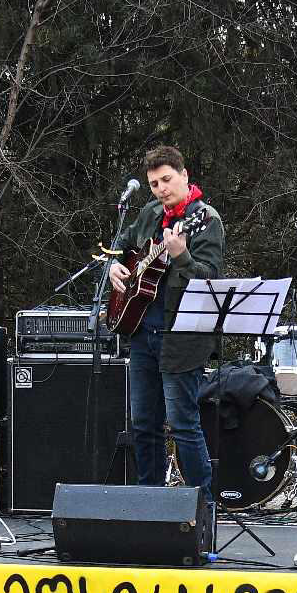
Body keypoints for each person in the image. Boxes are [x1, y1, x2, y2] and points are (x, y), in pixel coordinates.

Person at [106, 145, 225, 497]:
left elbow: (210, 280)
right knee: (144, 424)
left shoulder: (206, 220)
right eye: (154, 183)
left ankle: (203, 506)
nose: (161, 188)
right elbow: (123, 247)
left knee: (183, 424)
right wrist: (113, 266)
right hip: (142, 332)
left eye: (167, 180)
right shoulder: (149, 213)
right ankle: (150, 501)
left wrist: (182, 255)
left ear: (184, 175)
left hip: (182, 338)